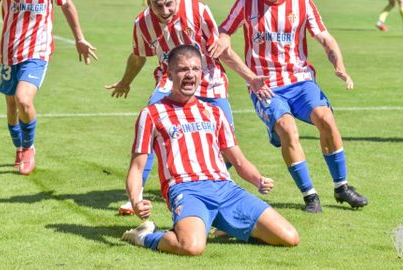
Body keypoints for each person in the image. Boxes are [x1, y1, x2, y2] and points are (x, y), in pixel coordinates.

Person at [121, 45, 299, 255]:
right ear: (169, 74)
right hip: (186, 189)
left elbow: (238, 160)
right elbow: (137, 167)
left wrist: (258, 180)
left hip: (225, 188)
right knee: (191, 247)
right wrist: (135, 200)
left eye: (195, 69)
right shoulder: (152, 113)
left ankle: (225, 224)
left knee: (289, 237)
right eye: (182, 69)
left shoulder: (213, 112)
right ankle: (144, 236)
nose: (190, 75)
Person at [105, 0, 272, 215]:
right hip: (171, 80)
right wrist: (125, 81)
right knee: (151, 126)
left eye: (169, 4)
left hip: (210, 80)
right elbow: (138, 56)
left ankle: (214, 183)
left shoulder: (198, 11)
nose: (165, 11)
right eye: (158, 6)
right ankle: (135, 196)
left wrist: (251, 78)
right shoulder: (142, 23)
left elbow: (220, 50)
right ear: (148, 3)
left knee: (227, 146)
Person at [215, 0, 368, 213]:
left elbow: (325, 37)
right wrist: (223, 38)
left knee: (326, 119)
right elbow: (224, 30)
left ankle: (341, 187)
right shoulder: (247, 4)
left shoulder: (302, 4)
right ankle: (310, 196)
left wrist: (339, 65)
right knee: (287, 128)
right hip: (265, 85)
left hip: (301, 81)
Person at [0, 0, 97, 175]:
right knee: (11, 105)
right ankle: (19, 149)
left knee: (23, 99)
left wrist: (79, 38)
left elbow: (67, 4)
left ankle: (28, 148)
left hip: (37, 52)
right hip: (9, 52)